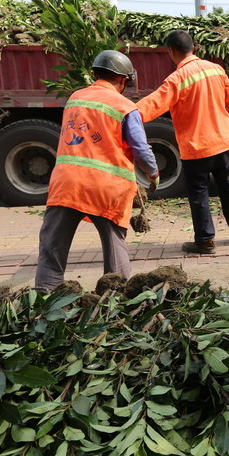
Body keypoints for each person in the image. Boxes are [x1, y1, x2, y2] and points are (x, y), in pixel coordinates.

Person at [35, 51, 159, 292]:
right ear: (124, 79)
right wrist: (153, 174)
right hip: (106, 188)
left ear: (95, 74)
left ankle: (44, 295)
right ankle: (115, 295)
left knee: (52, 245)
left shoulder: (75, 99)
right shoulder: (125, 106)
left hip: (66, 184)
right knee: (114, 245)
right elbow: (142, 149)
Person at [137, 30, 229, 254]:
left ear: (171, 51)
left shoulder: (177, 79)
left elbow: (152, 105)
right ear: (193, 48)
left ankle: (205, 240)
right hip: (224, 142)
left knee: (199, 195)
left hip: (197, 148)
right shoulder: (216, 69)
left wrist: (125, 114)